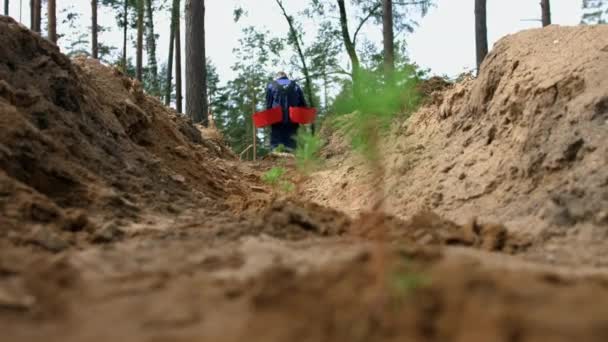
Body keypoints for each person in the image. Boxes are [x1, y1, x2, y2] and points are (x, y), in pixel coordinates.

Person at [265, 71, 307, 151]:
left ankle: (275, 158)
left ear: (277, 77)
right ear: (286, 77)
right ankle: (291, 160)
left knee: (275, 143)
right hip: (293, 119)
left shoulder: (271, 86)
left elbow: (268, 104)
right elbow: (302, 104)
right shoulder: (296, 86)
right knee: (291, 143)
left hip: (276, 118)